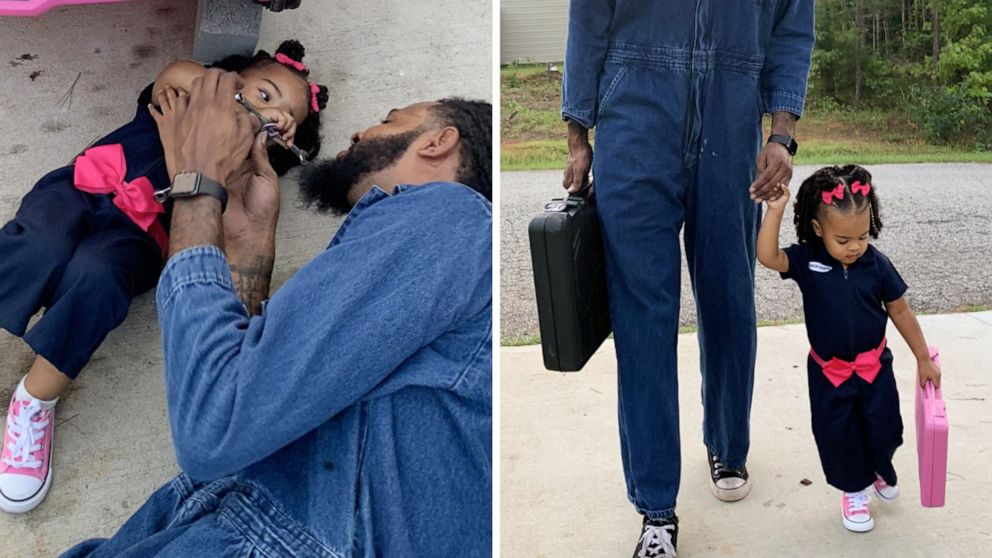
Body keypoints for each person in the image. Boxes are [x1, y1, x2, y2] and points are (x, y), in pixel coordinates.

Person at [62, 69, 493, 557]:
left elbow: (215, 425)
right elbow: (253, 410)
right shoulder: (432, 271)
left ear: (439, 141)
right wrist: (247, 245)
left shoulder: (454, 219)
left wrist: (197, 180)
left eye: (389, 121)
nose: (361, 133)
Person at [0, 40, 326, 514]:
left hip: (141, 236)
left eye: (282, 120)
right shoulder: (180, 95)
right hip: (84, 185)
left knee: (98, 279)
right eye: (265, 94)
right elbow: (174, 72)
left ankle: (34, 400)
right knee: (39, 242)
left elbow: (220, 237)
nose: (271, 114)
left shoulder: (236, 176)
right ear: (224, 77)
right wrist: (222, 100)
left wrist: (223, 156)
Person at [561, 1, 816, 555]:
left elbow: (791, 25)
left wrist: (782, 132)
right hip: (636, 115)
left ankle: (728, 443)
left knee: (728, 298)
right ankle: (656, 508)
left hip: (733, 112)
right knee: (642, 317)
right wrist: (578, 133)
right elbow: (587, 16)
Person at [756, 164, 941, 533]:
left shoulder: (877, 265)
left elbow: (900, 310)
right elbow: (768, 257)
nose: (855, 247)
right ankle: (854, 491)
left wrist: (923, 358)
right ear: (819, 229)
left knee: (885, 428)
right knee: (839, 434)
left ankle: (878, 470)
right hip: (830, 373)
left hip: (875, 369)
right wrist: (774, 210)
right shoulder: (807, 261)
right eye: (843, 240)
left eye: (862, 236)